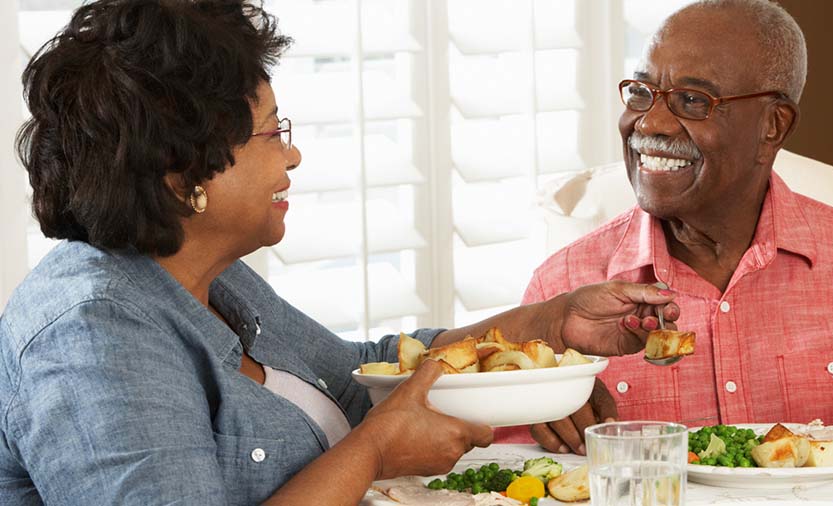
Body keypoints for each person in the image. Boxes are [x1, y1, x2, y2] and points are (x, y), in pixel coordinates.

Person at [0, 1, 679, 504]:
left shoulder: (209, 280)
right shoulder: (91, 336)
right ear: (183, 174)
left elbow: (355, 378)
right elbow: (369, 427)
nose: (292, 154)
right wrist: (378, 450)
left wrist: (549, 324)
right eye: (271, 134)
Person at [495, 0, 833, 454]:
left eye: (693, 101)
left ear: (773, 126)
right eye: (641, 92)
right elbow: (506, 477)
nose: (651, 122)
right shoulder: (561, 289)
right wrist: (546, 431)